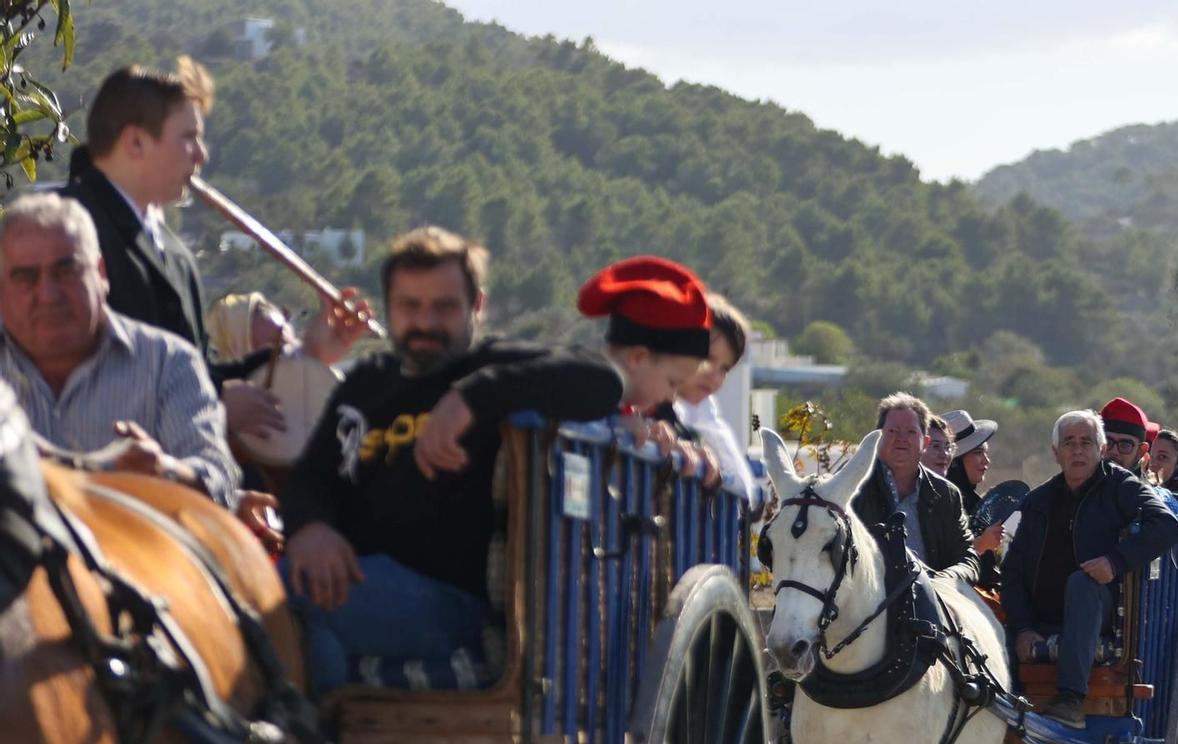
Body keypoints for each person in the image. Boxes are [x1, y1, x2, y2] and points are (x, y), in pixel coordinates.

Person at [279, 227, 626, 691]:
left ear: (476, 307)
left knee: (276, 600)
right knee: (240, 582)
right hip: (352, 579)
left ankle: (309, 739)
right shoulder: (366, 381)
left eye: (444, 307)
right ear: (389, 308)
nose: (426, 323)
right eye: (410, 307)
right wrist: (310, 527)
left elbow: (604, 380)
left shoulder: (490, 366)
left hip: (446, 602)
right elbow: (311, 476)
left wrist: (474, 396)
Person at [62, 56, 372, 444]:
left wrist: (305, 354)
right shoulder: (62, 232)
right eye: (188, 137)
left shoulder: (174, 254)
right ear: (135, 142)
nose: (201, 155)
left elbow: (193, 372)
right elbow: (68, 381)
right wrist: (215, 405)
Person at [0, 193, 241, 512]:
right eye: (26, 278)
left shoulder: (167, 363)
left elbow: (220, 480)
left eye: (66, 271)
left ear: (101, 274)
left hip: (143, 554)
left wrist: (163, 471)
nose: (48, 295)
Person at [1001, 409, 1178, 728]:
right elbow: (1013, 571)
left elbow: (1166, 526)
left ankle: (1071, 698)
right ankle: (1003, 704)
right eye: (1069, 443)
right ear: (1056, 453)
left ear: (1100, 449)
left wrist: (1115, 561)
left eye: (1086, 442)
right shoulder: (1037, 502)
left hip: (1102, 615)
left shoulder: (1121, 487)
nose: (1078, 450)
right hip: (1043, 620)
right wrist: (1024, 626)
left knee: (1082, 583)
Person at [851, 392, 979, 583]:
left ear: (925, 442)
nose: (901, 438)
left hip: (933, 601)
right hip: (866, 604)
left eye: (911, 432)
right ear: (878, 438)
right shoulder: (853, 489)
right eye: (893, 431)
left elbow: (967, 557)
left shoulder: (946, 494)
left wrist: (946, 579)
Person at [671, 290, 755, 495]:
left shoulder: (707, 414)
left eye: (725, 369)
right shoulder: (644, 408)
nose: (714, 377)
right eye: (707, 359)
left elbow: (745, 490)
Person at [941, 409, 1003, 585]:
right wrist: (982, 544)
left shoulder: (973, 501)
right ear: (955, 462)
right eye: (977, 453)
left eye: (985, 452)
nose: (986, 461)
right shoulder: (941, 503)